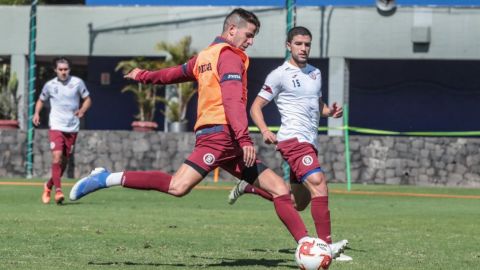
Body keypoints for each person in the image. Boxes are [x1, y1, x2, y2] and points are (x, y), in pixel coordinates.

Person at [69, 9, 348, 258]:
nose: (250, 42)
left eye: (253, 37)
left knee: (278, 189)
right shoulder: (229, 56)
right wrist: (244, 139)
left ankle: (305, 246)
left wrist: (143, 75)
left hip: (225, 139)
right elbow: (231, 101)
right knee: (178, 187)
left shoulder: (205, 56)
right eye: (248, 35)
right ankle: (106, 178)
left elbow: (171, 74)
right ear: (231, 30)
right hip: (219, 136)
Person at [227, 26, 352, 261]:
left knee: (298, 202)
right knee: (318, 183)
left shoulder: (315, 73)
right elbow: (255, 107)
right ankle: (326, 247)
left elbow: (317, 106)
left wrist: (330, 112)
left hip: (309, 141)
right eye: (299, 44)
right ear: (288, 46)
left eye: (307, 44)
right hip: (292, 141)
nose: (303, 48)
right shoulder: (279, 74)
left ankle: (248, 187)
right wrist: (265, 130)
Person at [33, 57, 92, 204]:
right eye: (60, 69)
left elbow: (88, 99)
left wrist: (83, 110)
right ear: (55, 70)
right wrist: (36, 113)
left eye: (66, 69)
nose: (63, 72)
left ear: (69, 70)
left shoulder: (77, 83)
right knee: (57, 157)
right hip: (56, 126)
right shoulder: (50, 85)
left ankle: (48, 186)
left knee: (64, 162)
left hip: (72, 127)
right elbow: (41, 100)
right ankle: (58, 191)